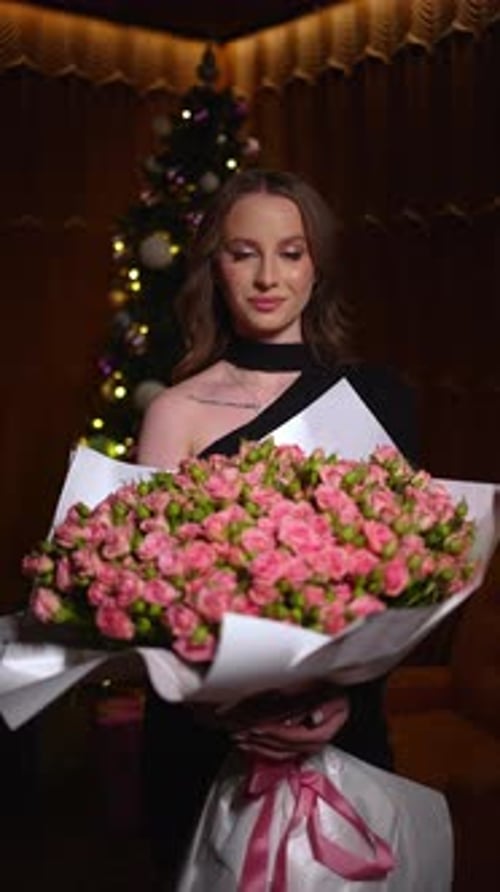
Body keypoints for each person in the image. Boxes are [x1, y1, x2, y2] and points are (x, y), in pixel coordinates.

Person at [136, 169, 418, 886]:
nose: (268, 276)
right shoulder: (175, 412)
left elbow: (406, 583)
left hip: (345, 731)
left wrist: (338, 700)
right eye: (243, 252)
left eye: (290, 252)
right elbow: (148, 599)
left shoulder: (377, 397)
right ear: (215, 266)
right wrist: (232, 712)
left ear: (316, 264)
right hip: (209, 742)